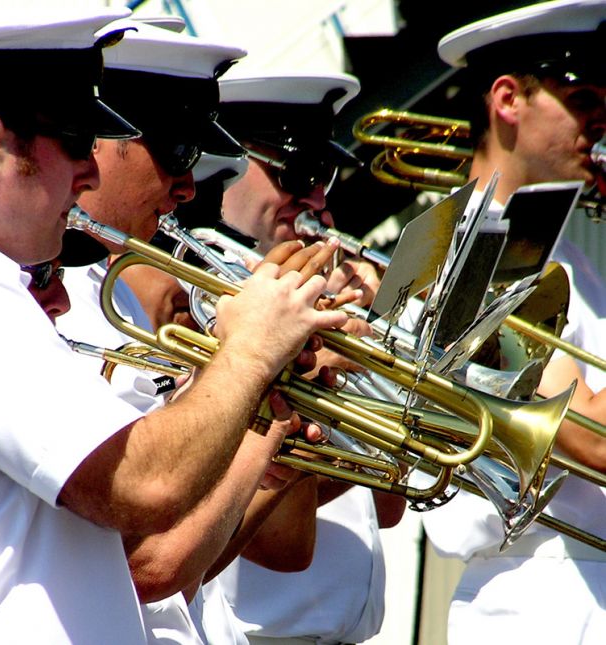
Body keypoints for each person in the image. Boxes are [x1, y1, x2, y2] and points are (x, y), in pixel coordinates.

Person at [0, 7, 347, 644]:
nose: (89, 171)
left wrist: (258, 394)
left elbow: (144, 553)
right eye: (76, 139)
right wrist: (250, 356)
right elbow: (146, 489)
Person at [417, 2, 606, 644]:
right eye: (581, 100)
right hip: (543, 599)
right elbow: (592, 438)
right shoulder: (479, 251)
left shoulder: (565, 255)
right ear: (507, 101)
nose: (600, 123)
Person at [204, 72, 407, 645]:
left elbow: (389, 505)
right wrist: (318, 373)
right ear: (225, 162)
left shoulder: (320, 292)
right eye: (295, 175)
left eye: (324, 178)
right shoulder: (207, 301)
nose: (316, 199)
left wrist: (382, 360)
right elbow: (277, 540)